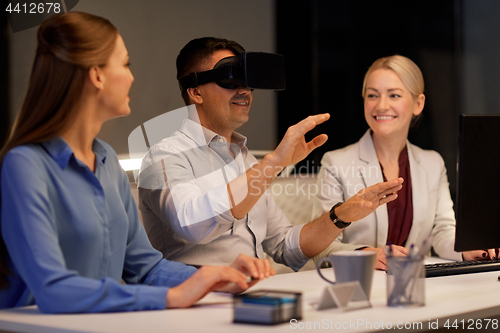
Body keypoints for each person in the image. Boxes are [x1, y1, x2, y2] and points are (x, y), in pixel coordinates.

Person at [0, 12, 274, 313]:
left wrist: (215, 277)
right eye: (125, 63)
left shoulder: (105, 161)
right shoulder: (24, 165)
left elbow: (147, 269)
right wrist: (172, 298)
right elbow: (52, 289)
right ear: (97, 75)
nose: (132, 76)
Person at [137, 37, 404, 271]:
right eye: (230, 78)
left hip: (253, 299)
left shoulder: (245, 160)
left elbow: (284, 245)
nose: (244, 90)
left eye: (247, 80)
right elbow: (193, 224)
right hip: (192, 310)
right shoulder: (164, 157)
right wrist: (273, 163)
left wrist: (341, 215)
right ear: (195, 91)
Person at [312, 55, 498, 270]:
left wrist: (468, 250)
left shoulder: (432, 162)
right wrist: (367, 254)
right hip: (359, 284)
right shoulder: (336, 162)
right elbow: (320, 247)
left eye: (394, 95)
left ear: (418, 104)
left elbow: (443, 231)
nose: (381, 106)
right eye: (372, 95)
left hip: (416, 285)